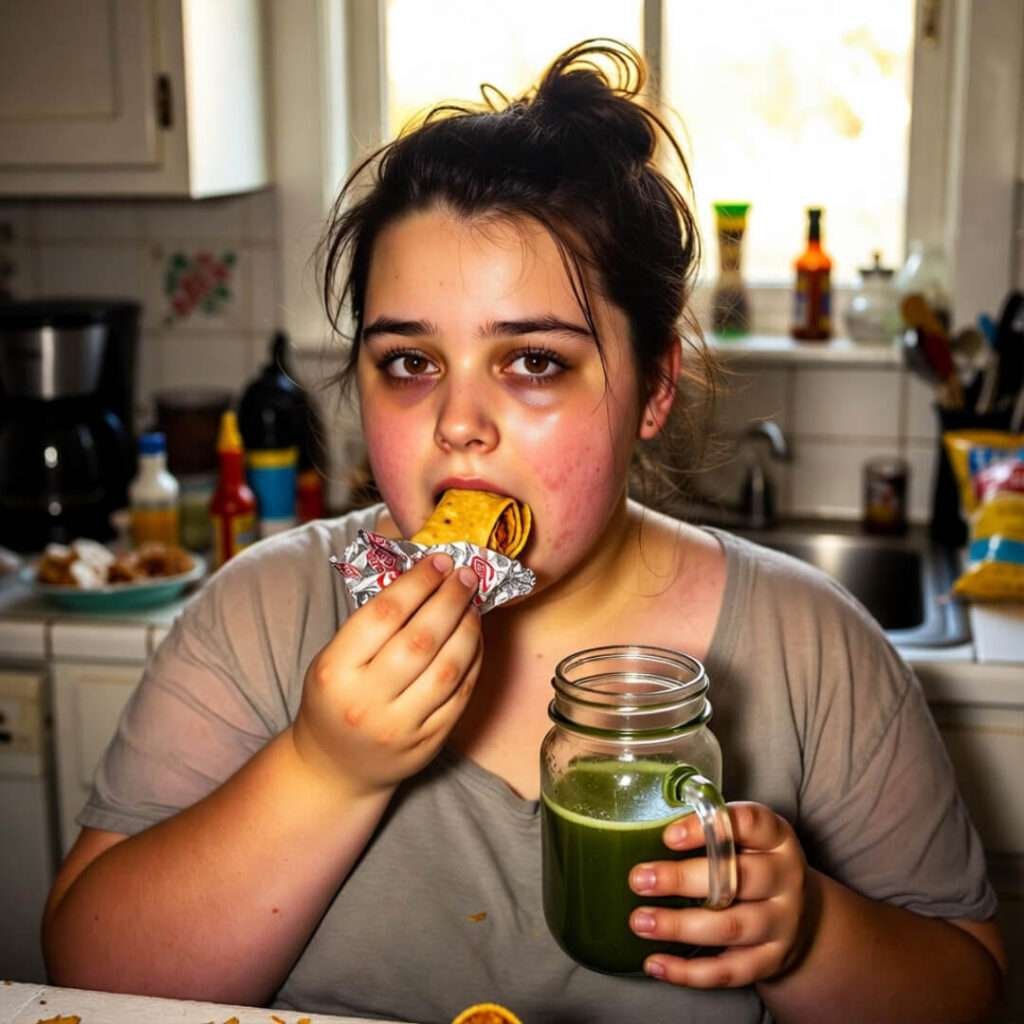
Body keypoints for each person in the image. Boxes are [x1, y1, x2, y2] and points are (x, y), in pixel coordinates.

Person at [42, 40, 1005, 1024]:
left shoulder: (812, 648)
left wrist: (810, 933)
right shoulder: (264, 610)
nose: (458, 422)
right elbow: (87, 975)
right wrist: (323, 770)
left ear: (654, 388)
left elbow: (964, 991)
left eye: (534, 361)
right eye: (410, 362)